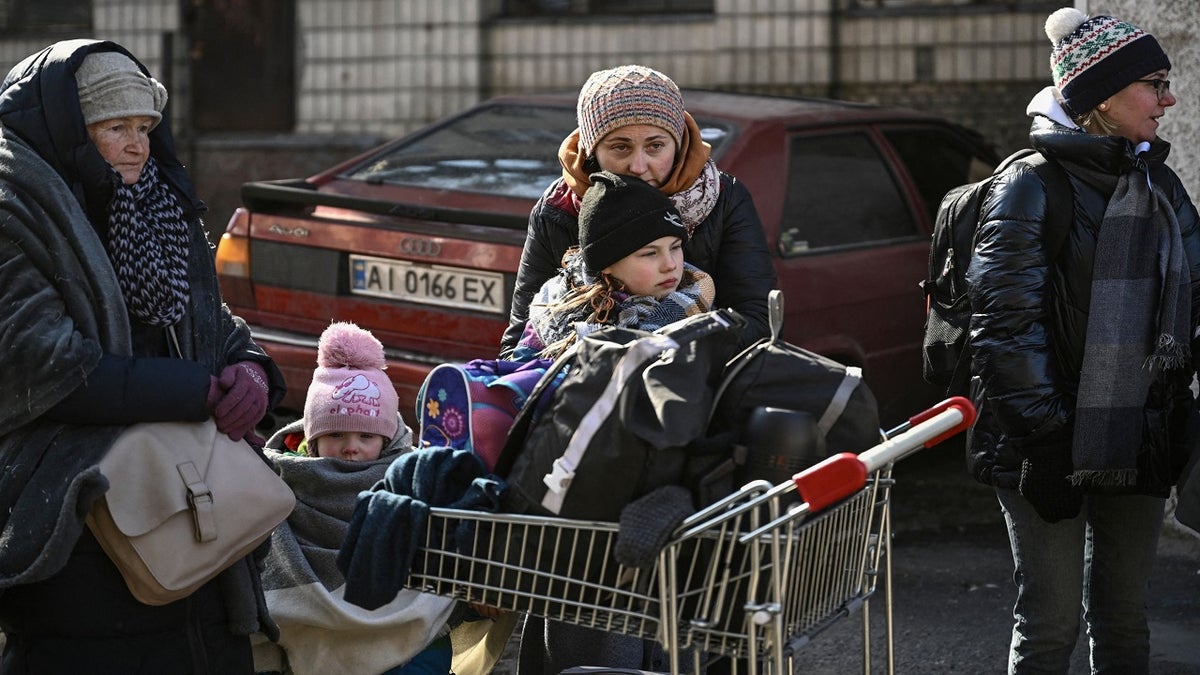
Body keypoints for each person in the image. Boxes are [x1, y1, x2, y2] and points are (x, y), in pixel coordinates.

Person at [0, 40, 285, 673]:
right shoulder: (14, 210)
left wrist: (251, 368)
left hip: (193, 507)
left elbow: (211, 321)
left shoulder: (156, 202)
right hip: (76, 526)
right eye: (115, 128)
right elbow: (44, 364)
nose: (137, 145)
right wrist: (198, 391)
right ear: (72, 132)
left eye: (145, 127)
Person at [965, 8, 1200, 674]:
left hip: (1142, 432)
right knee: (1050, 625)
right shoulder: (1029, 185)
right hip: (1043, 443)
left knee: (1125, 621)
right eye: (1154, 83)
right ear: (1100, 96)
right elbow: (1004, 328)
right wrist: (1043, 441)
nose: (1169, 98)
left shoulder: (1160, 184)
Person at [499, 64, 775, 359]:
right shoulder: (559, 208)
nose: (639, 166)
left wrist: (654, 354)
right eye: (620, 148)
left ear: (679, 145)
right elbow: (519, 338)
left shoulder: (722, 198)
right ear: (593, 152)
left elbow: (758, 322)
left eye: (655, 146)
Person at [254, 321, 466, 675]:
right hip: (315, 638)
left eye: (366, 435)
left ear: (386, 440)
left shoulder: (414, 481)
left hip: (407, 648)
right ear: (311, 439)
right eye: (335, 433)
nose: (351, 447)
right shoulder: (281, 485)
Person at [512, 170, 715, 362]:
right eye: (650, 253)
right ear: (606, 263)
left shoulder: (698, 304)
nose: (670, 265)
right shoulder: (556, 313)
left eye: (675, 247)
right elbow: (521, 382)